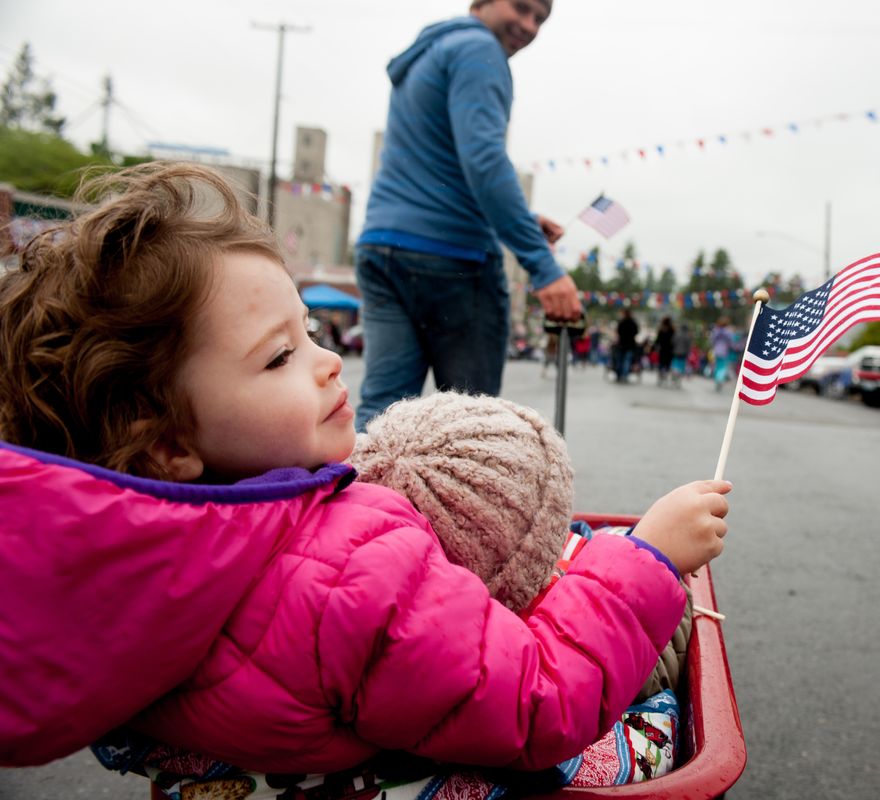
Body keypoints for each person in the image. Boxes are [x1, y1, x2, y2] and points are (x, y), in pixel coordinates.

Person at [0, 163, 732, 771]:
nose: (327, 363)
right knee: (659, 712)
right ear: (166, 444)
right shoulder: (346, 570)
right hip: (434, 757)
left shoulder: (127, 576)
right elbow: (536, 701)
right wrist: (649, 559)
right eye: (280, 355)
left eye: (312, 332)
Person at [353, 0, 582, 431]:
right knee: (470, 428)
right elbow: (483, 160)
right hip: (452, 259)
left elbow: (445, 166)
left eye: (540, 19)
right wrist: (543, 267)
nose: (529, 26)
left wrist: (519, 220)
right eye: (521, 8)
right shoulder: (481, 52)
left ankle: (363, 498)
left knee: (381, 414)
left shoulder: (430, 51)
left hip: (383, 244)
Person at [614, 308, 639, 383]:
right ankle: (624, 375)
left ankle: (619, 374)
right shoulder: (633, 323)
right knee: (626, 361)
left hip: (621, 344)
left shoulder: (621, 322)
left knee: (620, 360)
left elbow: (618, 331)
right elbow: (636, 332)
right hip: (630, 344)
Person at [710, 317, 735, 391]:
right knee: (723, 367)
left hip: (716, 351)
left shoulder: (716, 331)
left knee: (717, 366)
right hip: (724, 351)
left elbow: (712, 340)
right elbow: (731, 342)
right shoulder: (728, 332)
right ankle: (720, 379)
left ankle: (717, 379)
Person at [653, 317, 675, 386]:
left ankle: (660, 376)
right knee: (667, 364)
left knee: (661, 364)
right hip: (669, 350)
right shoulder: (672, 330)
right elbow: (674, 340)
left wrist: (654, 347)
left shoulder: (661, 330)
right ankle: (665, 376)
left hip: (662, 350)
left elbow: (657, 340)